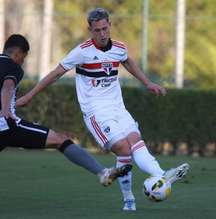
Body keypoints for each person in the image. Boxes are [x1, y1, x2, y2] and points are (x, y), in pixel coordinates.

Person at [0, 33, 132, 209]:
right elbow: (7, 87)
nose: (23, 60)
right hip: (4, 125)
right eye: (24, 56)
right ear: (17, 53)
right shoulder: (14, 68)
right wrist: (6, 111)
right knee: (60, 139)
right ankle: (102, 172)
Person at [16, 8, 190, 211]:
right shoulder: (82, 51)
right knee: (123, 148)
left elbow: (127, 61)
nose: (102, 33)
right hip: (96, 113)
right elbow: (55, 74)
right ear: (90, 30)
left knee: (135, 141)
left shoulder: (118, 47)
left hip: (118, 108)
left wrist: (147, 82)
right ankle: (129, 198)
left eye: (105, 28)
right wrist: (29, 96)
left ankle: (162, 176)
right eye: (97, 30)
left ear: (110, 26)